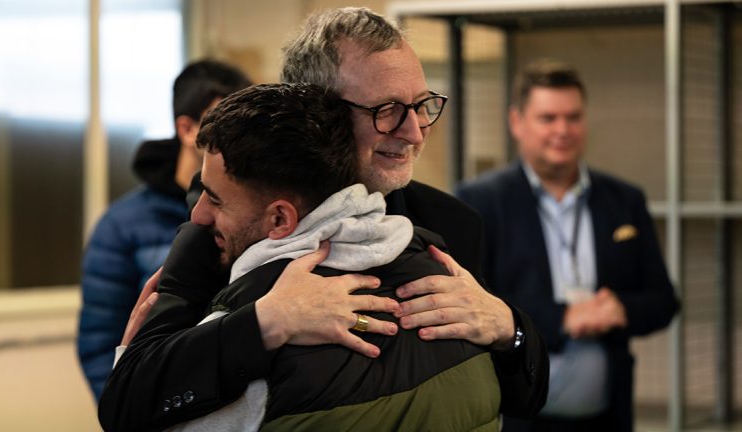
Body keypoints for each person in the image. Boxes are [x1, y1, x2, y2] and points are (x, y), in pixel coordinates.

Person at [102, 7, 549, 428]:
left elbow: (519, 399)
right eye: (387, 110)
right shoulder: (224, 214)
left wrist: (508, 328)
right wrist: (266, 322)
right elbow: (133, 399)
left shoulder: (451, 222)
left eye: (421, 104)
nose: (414, 132)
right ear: (319, 113)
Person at [456, 59, 680, 432]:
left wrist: (621, 309)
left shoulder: (624, 200)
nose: (563, 130)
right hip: (516, 420)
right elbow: (470, 303)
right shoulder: (479, 202)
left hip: (607, 418)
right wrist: (562, 318)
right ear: (517, 122)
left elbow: (664, 300)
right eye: (548, 118)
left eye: (573, 117)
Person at [77, 59, 251, 401]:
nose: (239, 140)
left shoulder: (251, 213)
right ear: (187, 129)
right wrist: (131, 413)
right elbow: (100, 345)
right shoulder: (123, 225)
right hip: (159, 403)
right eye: (223, 124)